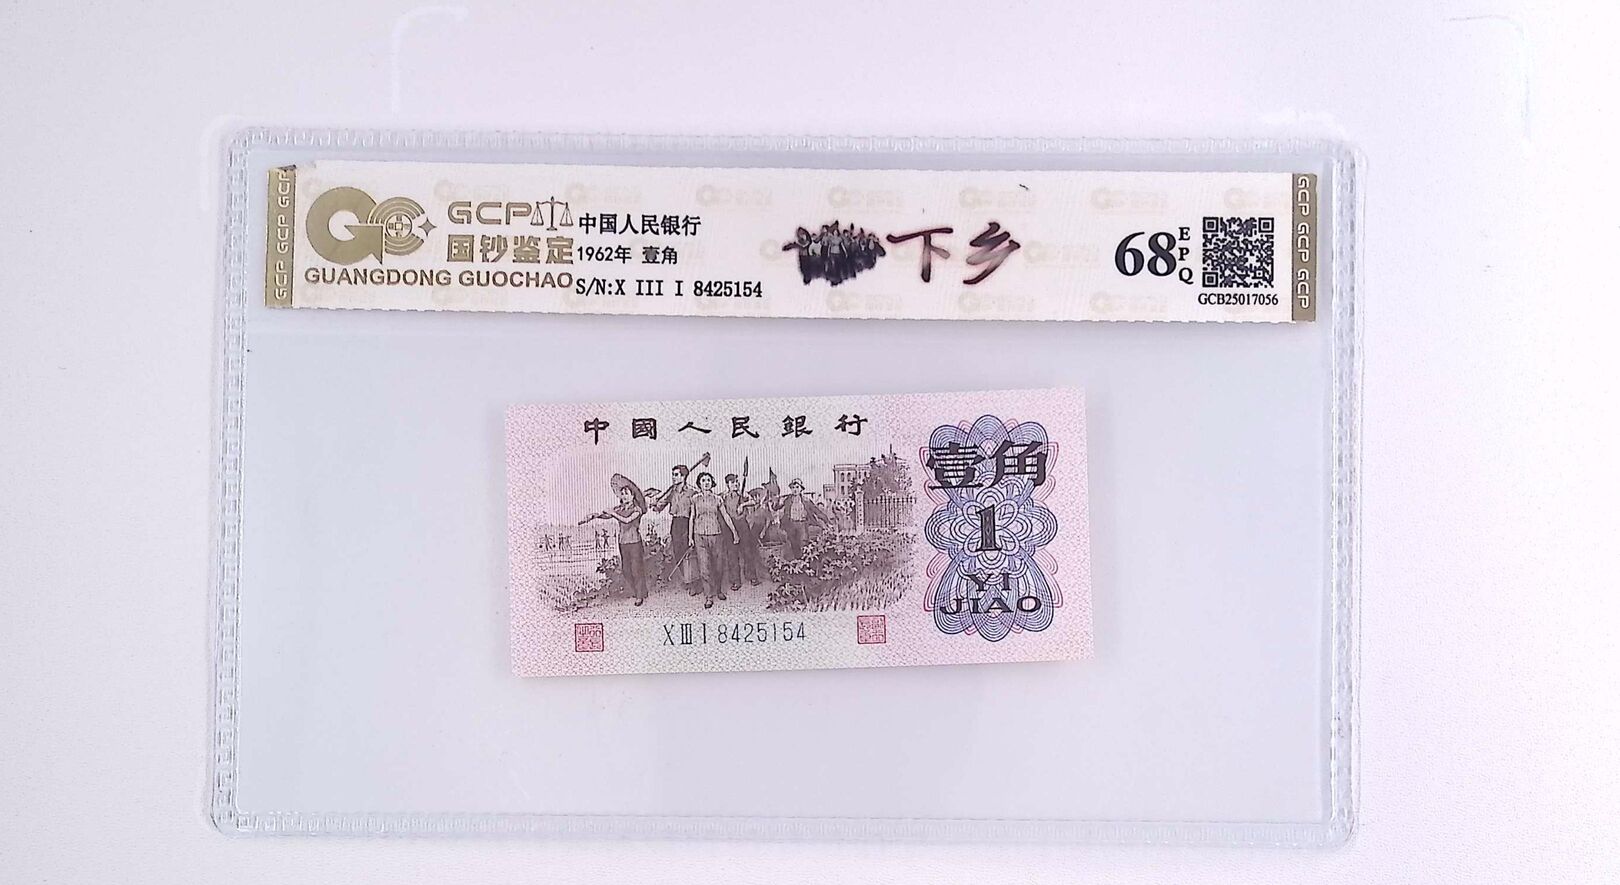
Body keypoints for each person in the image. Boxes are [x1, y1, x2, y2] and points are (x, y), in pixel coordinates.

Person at [689, 472, 741, 609]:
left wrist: (734, 533)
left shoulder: (718, 499)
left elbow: (726, 516)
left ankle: (718, 590)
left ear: (712, 483)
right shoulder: (695, 499)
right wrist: (690, 537)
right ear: (699, 483)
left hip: (716, 535)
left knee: (718, 566)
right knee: (704, 567)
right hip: (699, 536)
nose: (706, 483)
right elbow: (692, 518)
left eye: (708, 480)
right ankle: (708, 596)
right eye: (703, 480)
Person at [650, 464, 696, 593]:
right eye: (673, 475)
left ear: (683, 476)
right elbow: (659, 506)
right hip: (675, 524)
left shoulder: (692, 491)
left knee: (688, 553)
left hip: (688, 523)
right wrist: (654, 503)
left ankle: (693, 582)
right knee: (678, 552)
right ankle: (687, 579)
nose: (673, 477)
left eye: (676, 475)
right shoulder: (672, 491)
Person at [604, 477, 649, 605]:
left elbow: (627, 520)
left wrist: (613, 513)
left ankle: (639, 595)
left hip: (634, 543)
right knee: (626, 570)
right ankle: (639, 591)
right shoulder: (620, 509)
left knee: (636, 569)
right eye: (622, 493)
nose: (624, 496)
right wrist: (594, 516)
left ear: (633, 496)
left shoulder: (637, 510)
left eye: (626, 493)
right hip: (623, 543)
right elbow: (606, 515)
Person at [722, 473, 763, 589]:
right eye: (732, 482)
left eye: (737, 482)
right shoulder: (724, 497)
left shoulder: (743, 494)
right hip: (729, 526)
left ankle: (752, 576)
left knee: (747, 551)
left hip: (742, 525)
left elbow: (754, 502)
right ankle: (736, 581)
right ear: (727, 484)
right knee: (732, 554)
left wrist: (743, 505)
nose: (736, 484)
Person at [776, 478, 831, 561]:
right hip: (791, 525)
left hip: (802, 525)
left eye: (797, 487)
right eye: (793, 487)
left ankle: (805, 562)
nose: (795, 489)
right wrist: (778, 502)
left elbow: (817, 511)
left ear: (801, 489)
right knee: (793, 545)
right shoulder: (787, 500)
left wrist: (827, 521)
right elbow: (776, 507)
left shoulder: (806, 500)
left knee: (803, 543)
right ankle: (796, 562)